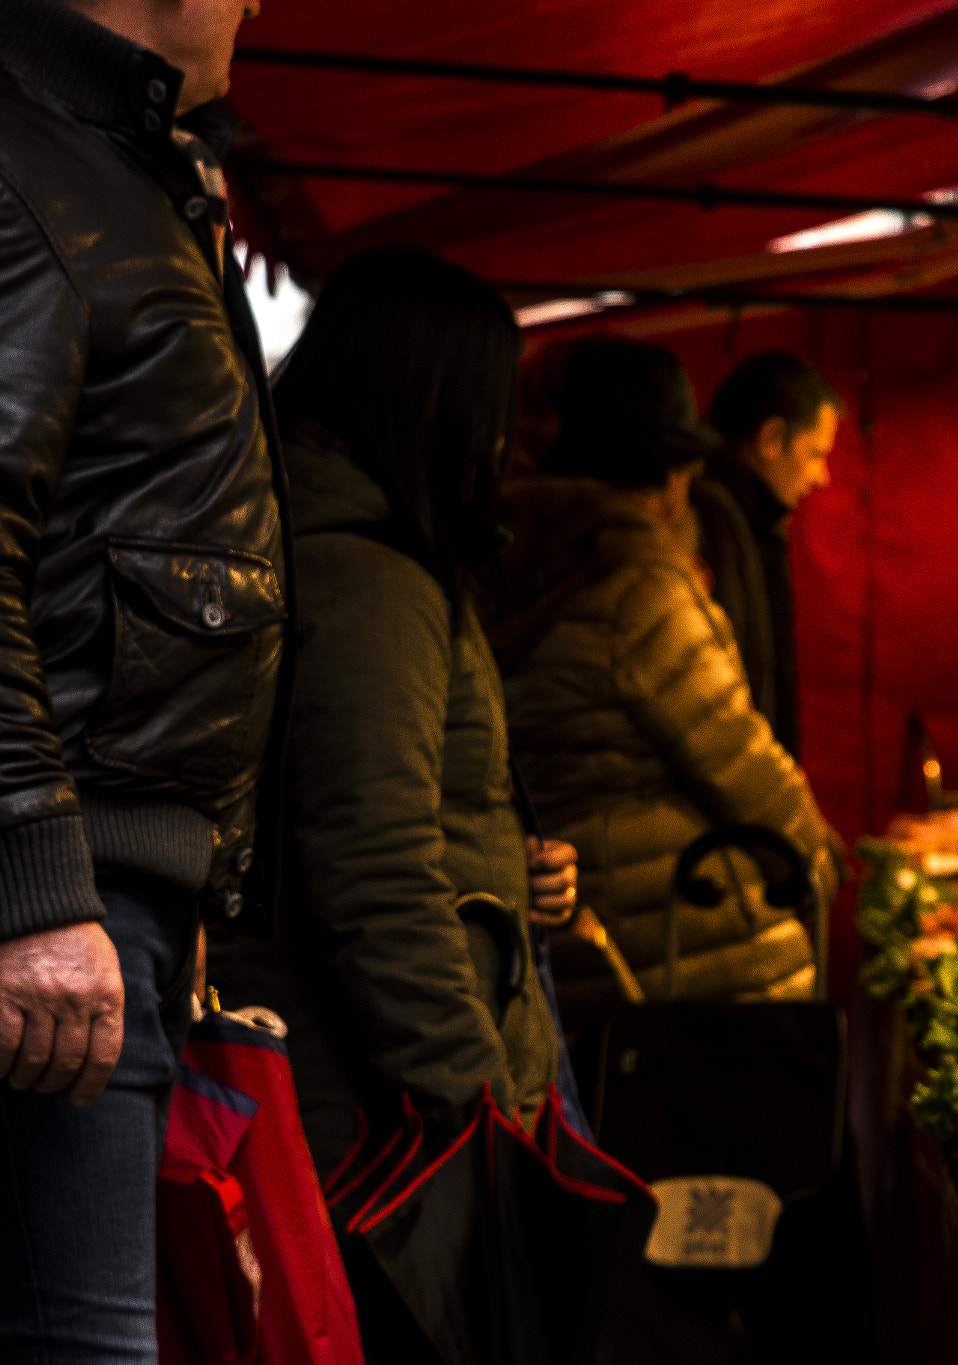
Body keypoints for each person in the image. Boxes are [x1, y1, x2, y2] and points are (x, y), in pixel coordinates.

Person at [0, 0, 289, 1357]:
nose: (255, 3)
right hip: (65, 897)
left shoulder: (118, 163)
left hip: (113, 892)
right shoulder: (32, 157)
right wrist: (39, 886)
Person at [208, 246, 568, 1190]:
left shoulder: (346, 548)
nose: (505, 439)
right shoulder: (367, 580)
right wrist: (479, 1108)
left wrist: (506, 865)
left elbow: (393, 810)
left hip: (372, 1096)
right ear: (438, 400)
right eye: (497, 406)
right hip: (378, 1119)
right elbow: (374, 869)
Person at [490, 337, 841, 1023]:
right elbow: (736, 755)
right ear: (668, 475)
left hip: (587, 930)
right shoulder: (636, 580)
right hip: (685, 955)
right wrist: (816, 863)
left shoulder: (516, 556)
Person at [695, 352, 843, 759]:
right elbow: (724, 698)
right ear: (771, 439)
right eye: (816, 453)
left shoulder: (751, 520)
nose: (822, 477)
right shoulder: (713, 520)